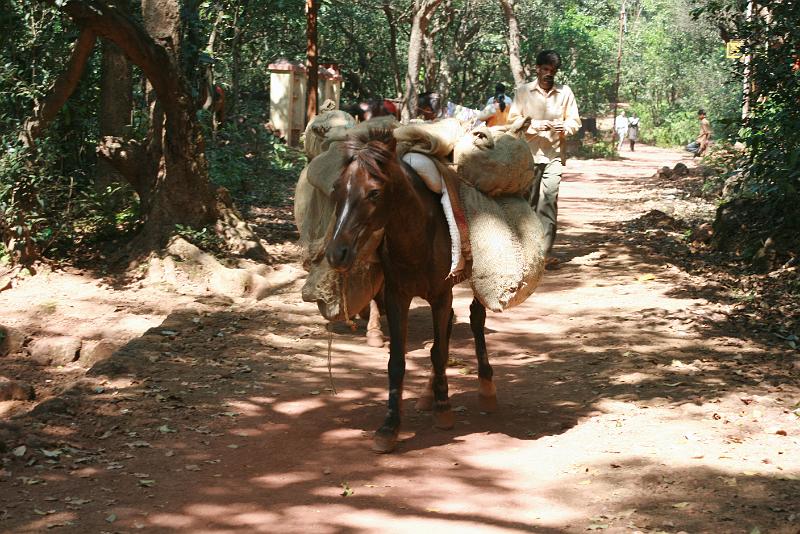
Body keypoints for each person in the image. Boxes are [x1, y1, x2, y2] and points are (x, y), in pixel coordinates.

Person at [508, 49, 581, 270]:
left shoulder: (565, 93)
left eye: (553, 71)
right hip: (527, 155)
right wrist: (532, 125)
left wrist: (564, 127)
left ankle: (544, 252)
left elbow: (575, 122)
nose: (549, 74)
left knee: (548, 201)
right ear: (537, 69)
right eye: (546, 69)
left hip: (554, 156)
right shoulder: (523, 92)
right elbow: (512, 121)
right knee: (528, 202)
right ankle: (525, 250)